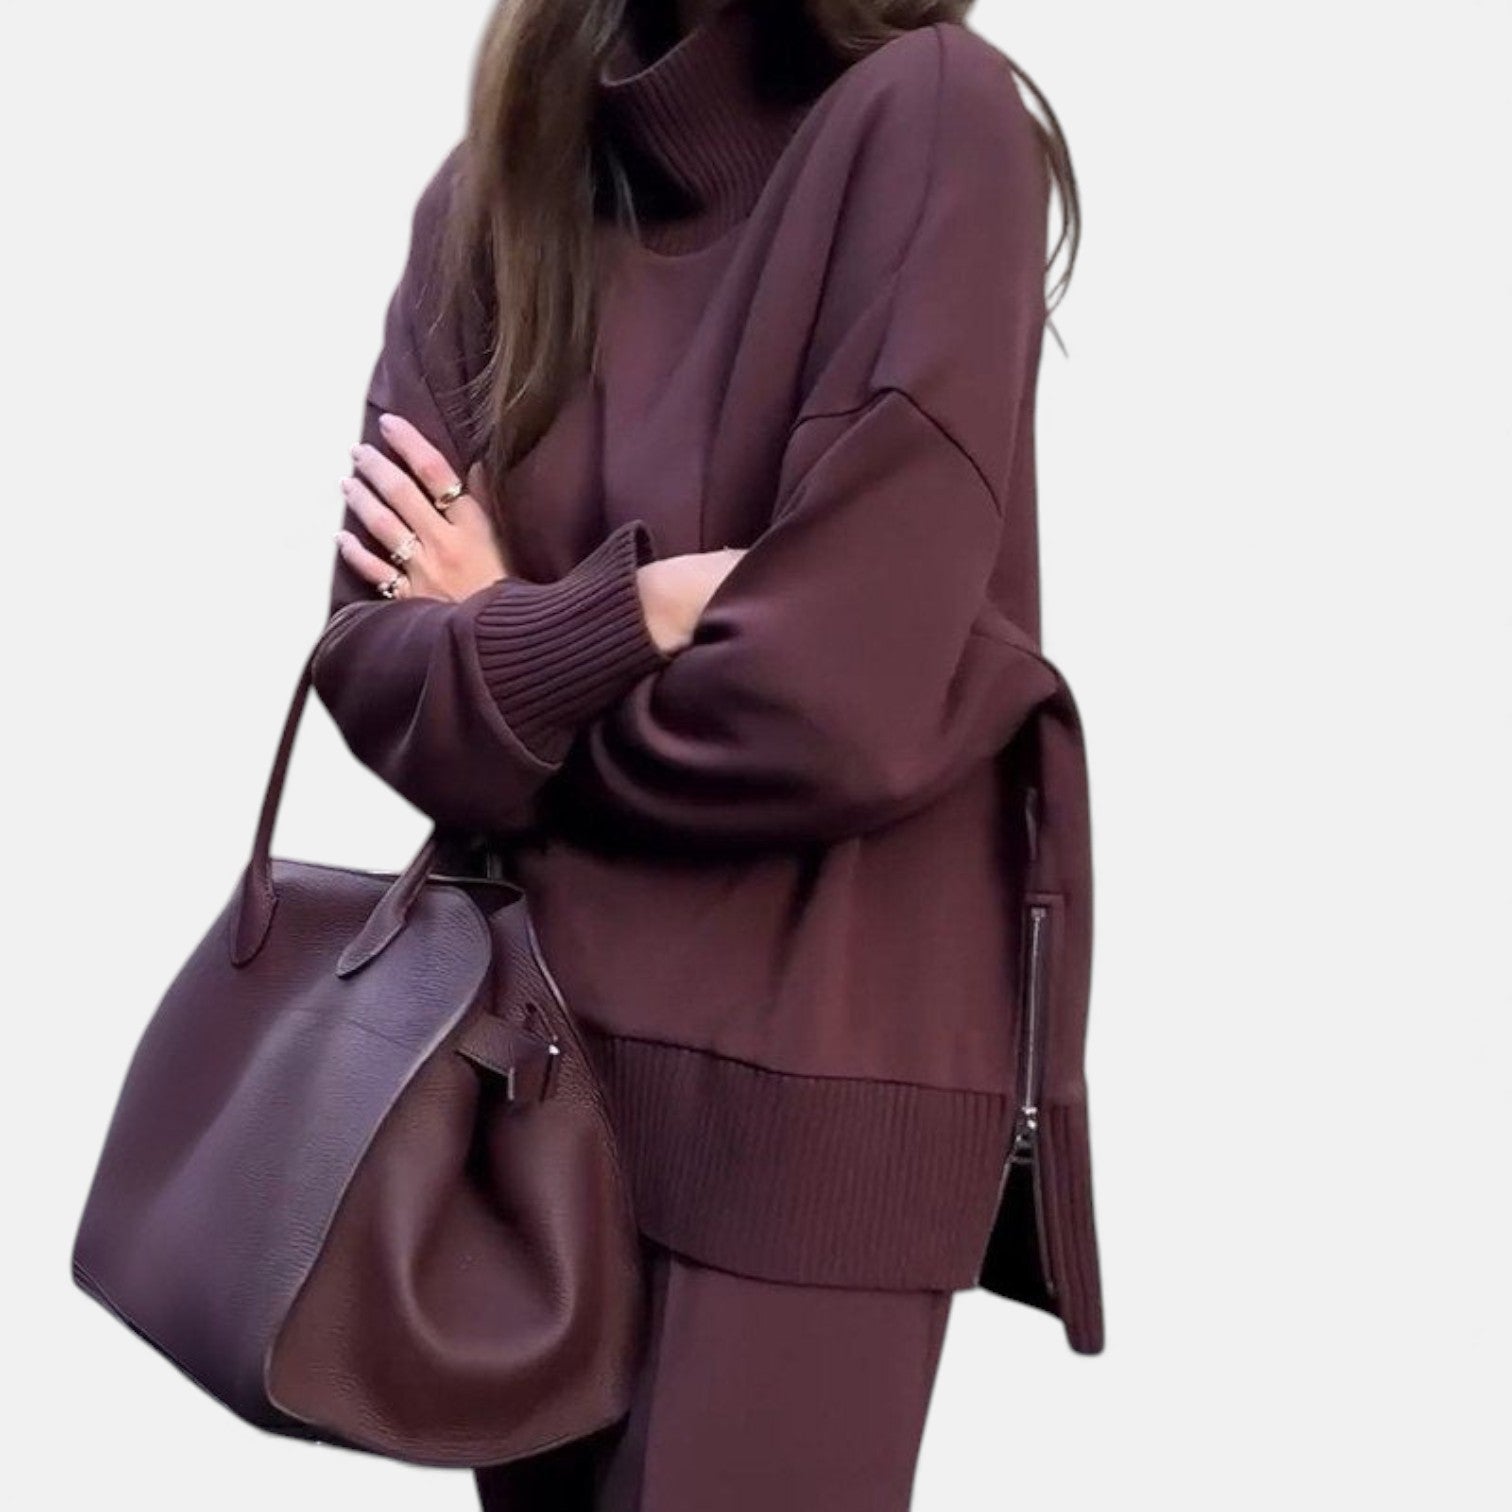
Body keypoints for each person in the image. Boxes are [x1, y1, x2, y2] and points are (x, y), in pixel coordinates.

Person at [313, 0, 1103, 1507]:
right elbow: (370, 665)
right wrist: (643, 610)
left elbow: (833, 704)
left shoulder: (931, 114)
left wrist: (512, 644)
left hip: (809, 1109)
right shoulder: (497, 188)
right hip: (530, 1092)